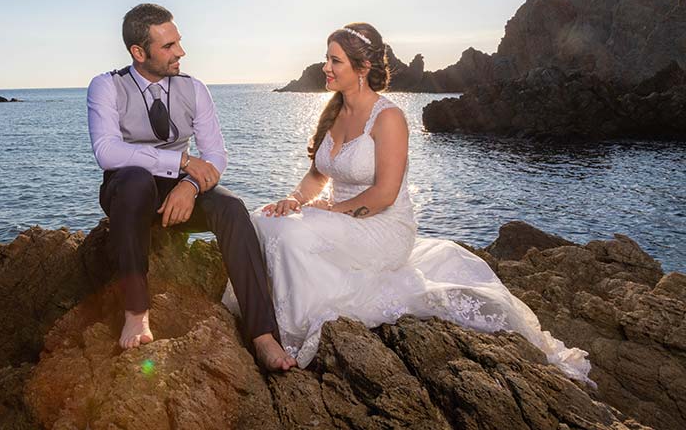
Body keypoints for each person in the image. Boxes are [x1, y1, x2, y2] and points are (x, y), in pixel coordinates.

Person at [222, 23, 592, 383]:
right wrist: (294, 199)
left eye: (335, 61)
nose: (326, 68)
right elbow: (318, 175)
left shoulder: (389, 118)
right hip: (339, 218)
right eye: (327, 59)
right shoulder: (333, 112)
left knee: (293, 237)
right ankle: (264, 323)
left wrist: (328, 211)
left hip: (382, 226)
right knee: (263, 218)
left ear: (362, 69)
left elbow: (385, 194)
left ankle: (292, 334)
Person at [87, 3, 296, 371]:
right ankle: (136, 312)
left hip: (180, 193)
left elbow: (215, 155)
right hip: (127, 193)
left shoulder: (194, 89)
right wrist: (181, 162)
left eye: (178, 42)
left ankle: (263, 335)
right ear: (139, 52)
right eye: (168, 46)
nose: (180, 52)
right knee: (135, 180)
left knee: (232, 208)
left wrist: (189, 186)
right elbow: (107, 152)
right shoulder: (107, 86)